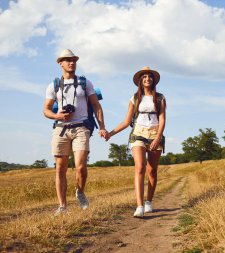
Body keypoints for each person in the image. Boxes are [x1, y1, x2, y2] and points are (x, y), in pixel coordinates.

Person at [43, 49, 107, 215]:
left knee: (80, 167)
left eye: (73, 60)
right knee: (60, 168)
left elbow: (96, 105)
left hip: (81, 127)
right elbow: (46, 110)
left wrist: (102, 126)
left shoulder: (85, 83)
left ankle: (80, 192)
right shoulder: (54, 85)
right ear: (60, 63)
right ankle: (62, 206)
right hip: (60, 128)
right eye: (67, 60)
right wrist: (57, 115)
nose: (71, 63)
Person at [105, 66, 166, 218]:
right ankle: (139, 205)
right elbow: (126, 121)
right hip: (138, 133)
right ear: (140, 80)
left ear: (153, 80)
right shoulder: (134, 98)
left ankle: (149, 202)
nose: (147, 79)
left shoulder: (160, 98)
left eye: (150, 76)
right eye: (144, 76)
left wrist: (158, 137)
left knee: (152, 171)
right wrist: (111, 133)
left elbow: (163, 119)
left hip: (155, 133)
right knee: (140, 167)